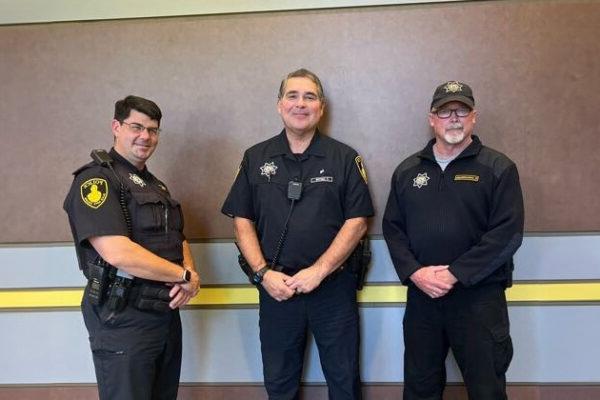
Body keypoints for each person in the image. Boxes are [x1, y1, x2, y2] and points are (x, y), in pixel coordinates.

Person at [222, 68, 374, 399]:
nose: (300, 103)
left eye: (310, 97)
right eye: (292, 95)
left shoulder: (344, 158)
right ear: (279, 105)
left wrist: (318, 272)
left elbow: (358, 221)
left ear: (321, 107)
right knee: (279, 384)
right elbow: (241, 220)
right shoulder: (256, 158)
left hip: (332, 289)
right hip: (276, 290)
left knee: (344, 381)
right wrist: (264, 274)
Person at [382, 81, 524, 400]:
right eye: (445, 111)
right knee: (420, 387)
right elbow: (393, 228)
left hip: (479, 298)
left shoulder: (498, 168)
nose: (454, 118)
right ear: (432, 119)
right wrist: (415, 273)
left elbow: (508, 233)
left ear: (474, 116)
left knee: (487, 388)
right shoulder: (408, 171)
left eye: (462, 110)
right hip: (423, 297)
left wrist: (455, 273)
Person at [63, 95, 200, 400]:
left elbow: (179, 237)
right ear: (116, 126)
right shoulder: (97, 180)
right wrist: (184, 276)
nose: (145, 136)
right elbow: (118, 253)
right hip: (123, 316)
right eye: (136, 127)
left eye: (152, 130)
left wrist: (189, 271)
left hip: (163, 315)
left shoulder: (155, 185)